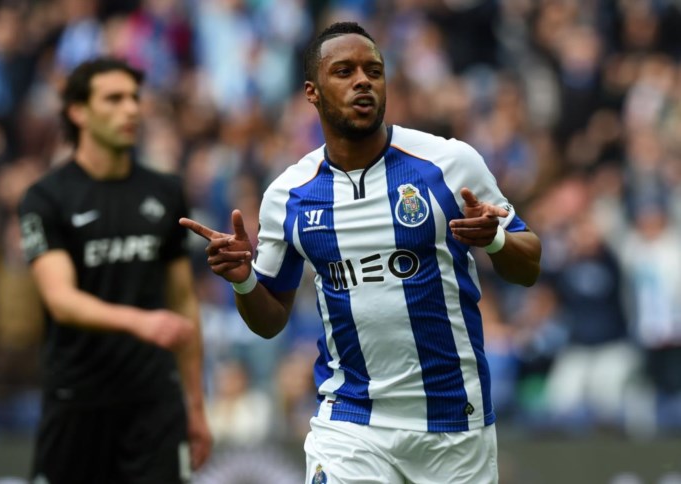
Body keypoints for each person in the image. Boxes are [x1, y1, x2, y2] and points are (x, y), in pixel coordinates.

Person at [181, 21, 541, 483]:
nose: (362, 81)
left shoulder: (449, 163)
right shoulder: (289, 195)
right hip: (350, 420)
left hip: (452, 421)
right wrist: (244, 281)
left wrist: (494, 239)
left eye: (374, 70)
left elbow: (529, 264)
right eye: (344, 71)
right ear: (312, 92)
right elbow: (270, 320)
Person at [18, 57, 212, 483]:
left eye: (135, 98)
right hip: (77, 400)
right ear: (78, 111)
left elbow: (183, 301)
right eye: (114, 99)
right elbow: (61, 300)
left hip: (154, 404)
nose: (131, 109)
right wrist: (141, 322)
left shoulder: (165, 191)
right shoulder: (45, 198)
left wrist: (195, 406)